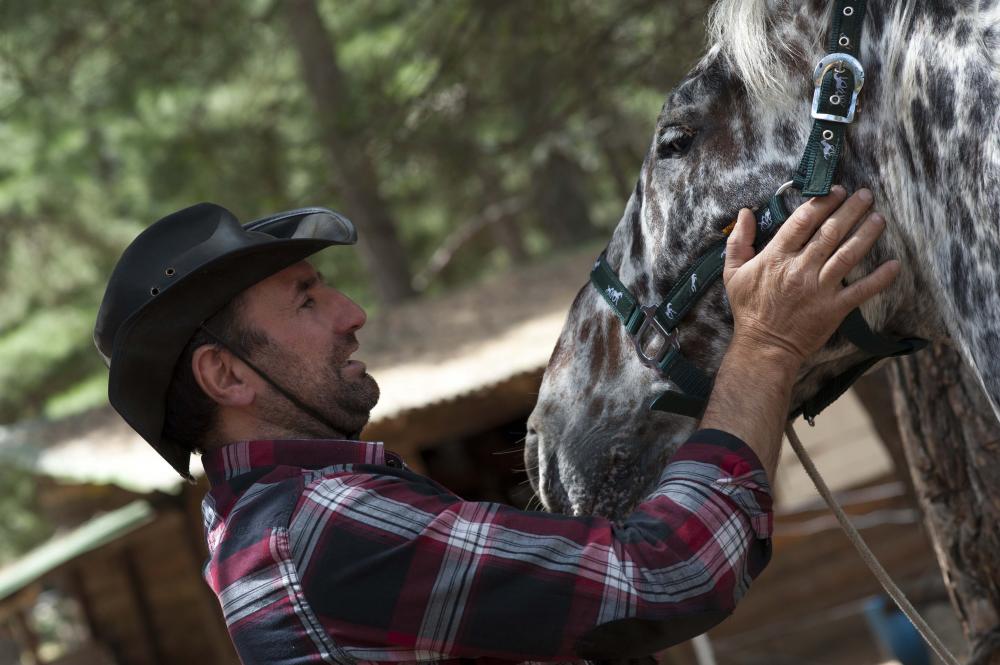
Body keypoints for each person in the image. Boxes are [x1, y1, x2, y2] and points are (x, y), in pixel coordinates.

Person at [94, 186, 896, 663]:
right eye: (306, 299)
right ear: (226, 376)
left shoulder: (258, 531)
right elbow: (669, 573)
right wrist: (767, 345)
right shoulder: (322, 524)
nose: (350, 312)